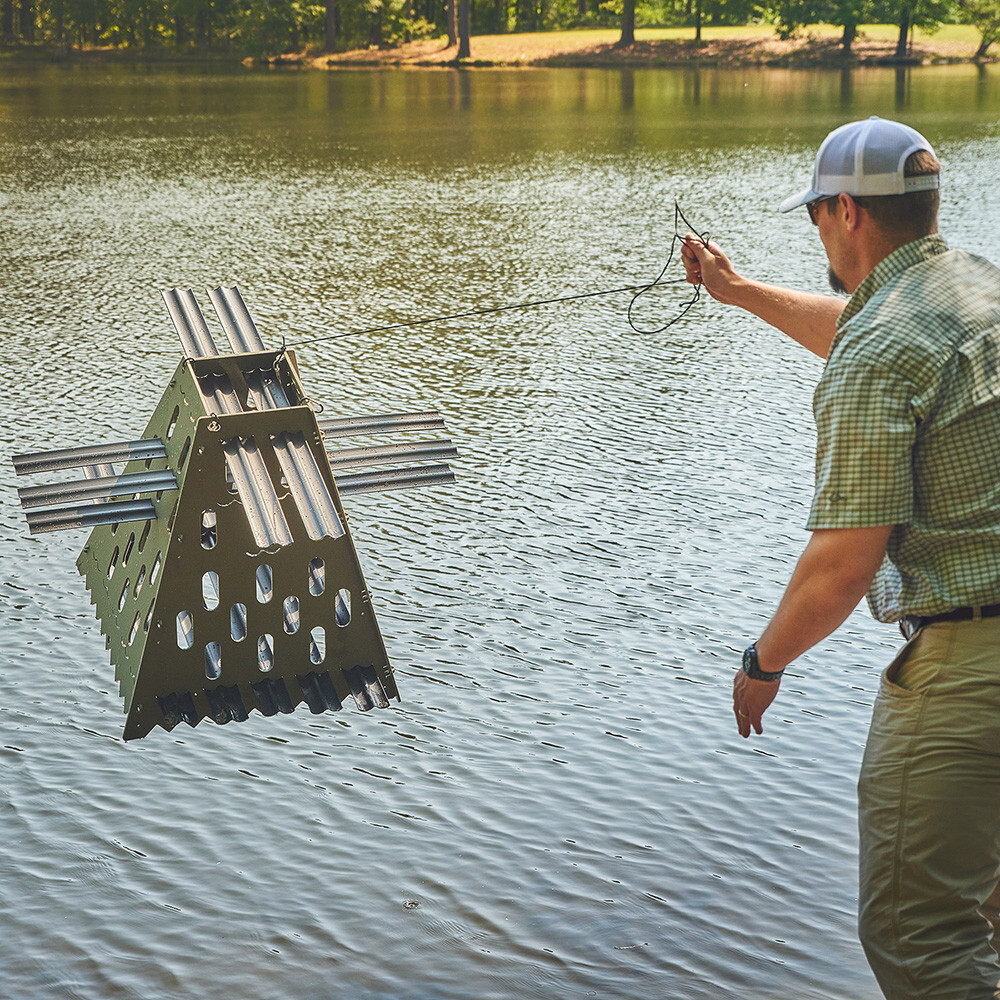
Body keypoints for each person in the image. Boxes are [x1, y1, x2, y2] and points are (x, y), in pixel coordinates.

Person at [681, 115, 1000, 1000]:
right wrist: (739, 291)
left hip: (971, 674)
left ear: (848, 211)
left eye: (815, 213)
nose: (816, 228)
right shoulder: (975, 288)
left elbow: (840, 567)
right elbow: (868, 335)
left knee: (921, 938)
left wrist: (763, 659)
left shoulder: (884, 346)